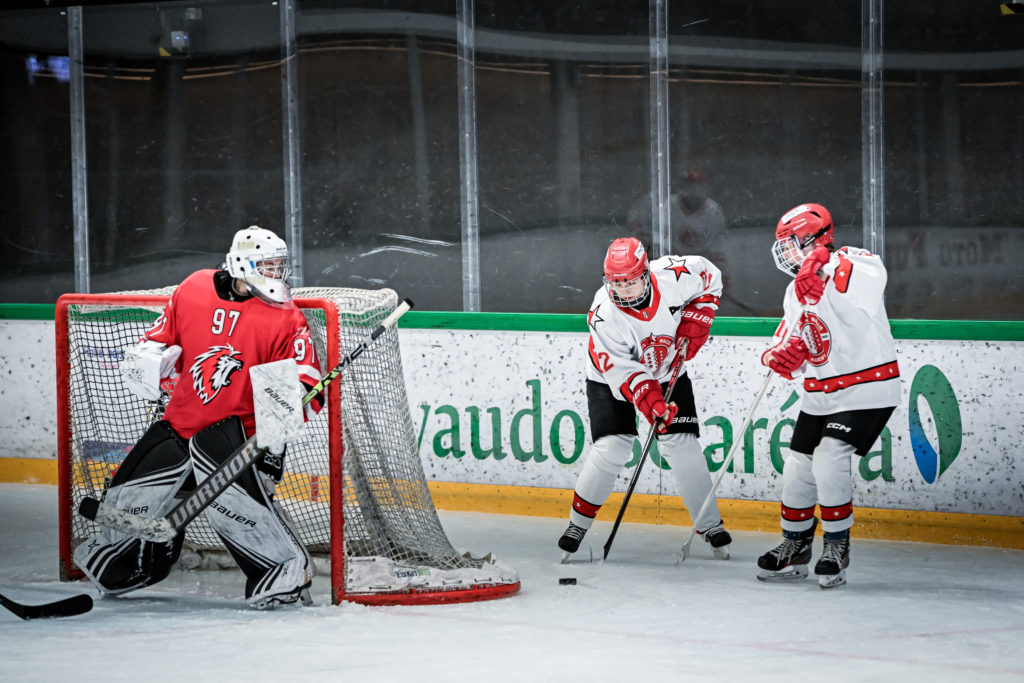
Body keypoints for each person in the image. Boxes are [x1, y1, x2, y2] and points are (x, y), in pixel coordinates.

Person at [74, 226, 325, 609]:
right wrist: (151, 362)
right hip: (179, 425)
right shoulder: (193, 288)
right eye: (268, 265)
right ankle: (128, 564)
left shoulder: (286, 317)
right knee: (125, 501)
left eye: (279, 265)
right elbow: (155, 340)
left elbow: (307, 379)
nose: (277, 273)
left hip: (238, 439)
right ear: (241, 265)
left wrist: (290, 407)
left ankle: (285, 572)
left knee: (236, 514)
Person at [557, 237, 732, 559]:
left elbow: (711, 277)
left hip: (667, 368)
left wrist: (699, 315)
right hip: (610, 377)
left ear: (646, 273)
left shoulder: (674, 276)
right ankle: (577, 524)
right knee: (614, 445)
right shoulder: (604, 314)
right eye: (616, 284)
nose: (624, 292)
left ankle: (709, 525)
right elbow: (623, 371)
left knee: (681, 442)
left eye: (631, 283)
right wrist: (651, 402)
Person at [756, 203, 900, 589]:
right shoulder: (794, 292)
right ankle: (795, 543)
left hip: (867, 388)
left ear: (817, 239)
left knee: (829, 456)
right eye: (784, 247)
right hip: (820, 394)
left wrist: (819, 263)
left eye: (793, 245)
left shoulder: (858, 262)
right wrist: (782, 357)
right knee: (798, 465)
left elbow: (863, 286)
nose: (787, 254)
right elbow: (785, 339)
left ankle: (837, 545)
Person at [626, 167, 727, 265]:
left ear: (704, 186)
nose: (694, 189)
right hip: (671, 262)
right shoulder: (670, 205)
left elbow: (718, 246)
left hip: (701, 264)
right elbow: (657, 235)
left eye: (698, 184)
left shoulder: (714, 212)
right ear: (683, 186)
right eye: (690, 184)